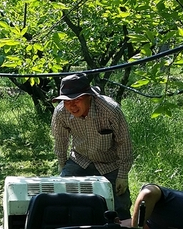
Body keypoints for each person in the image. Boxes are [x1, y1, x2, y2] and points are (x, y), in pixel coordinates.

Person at [51, 73, 133, 219]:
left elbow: (124, 142)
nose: (72, 105)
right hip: (79, 160)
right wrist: (62, 164)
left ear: (89, 96)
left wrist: (122, 175)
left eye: (77, 100)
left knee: (120, 206)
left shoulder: (110, 110)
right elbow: (60, 140)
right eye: (67, 101)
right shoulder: (61, 112)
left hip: (110, 164)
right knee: (61, 196)